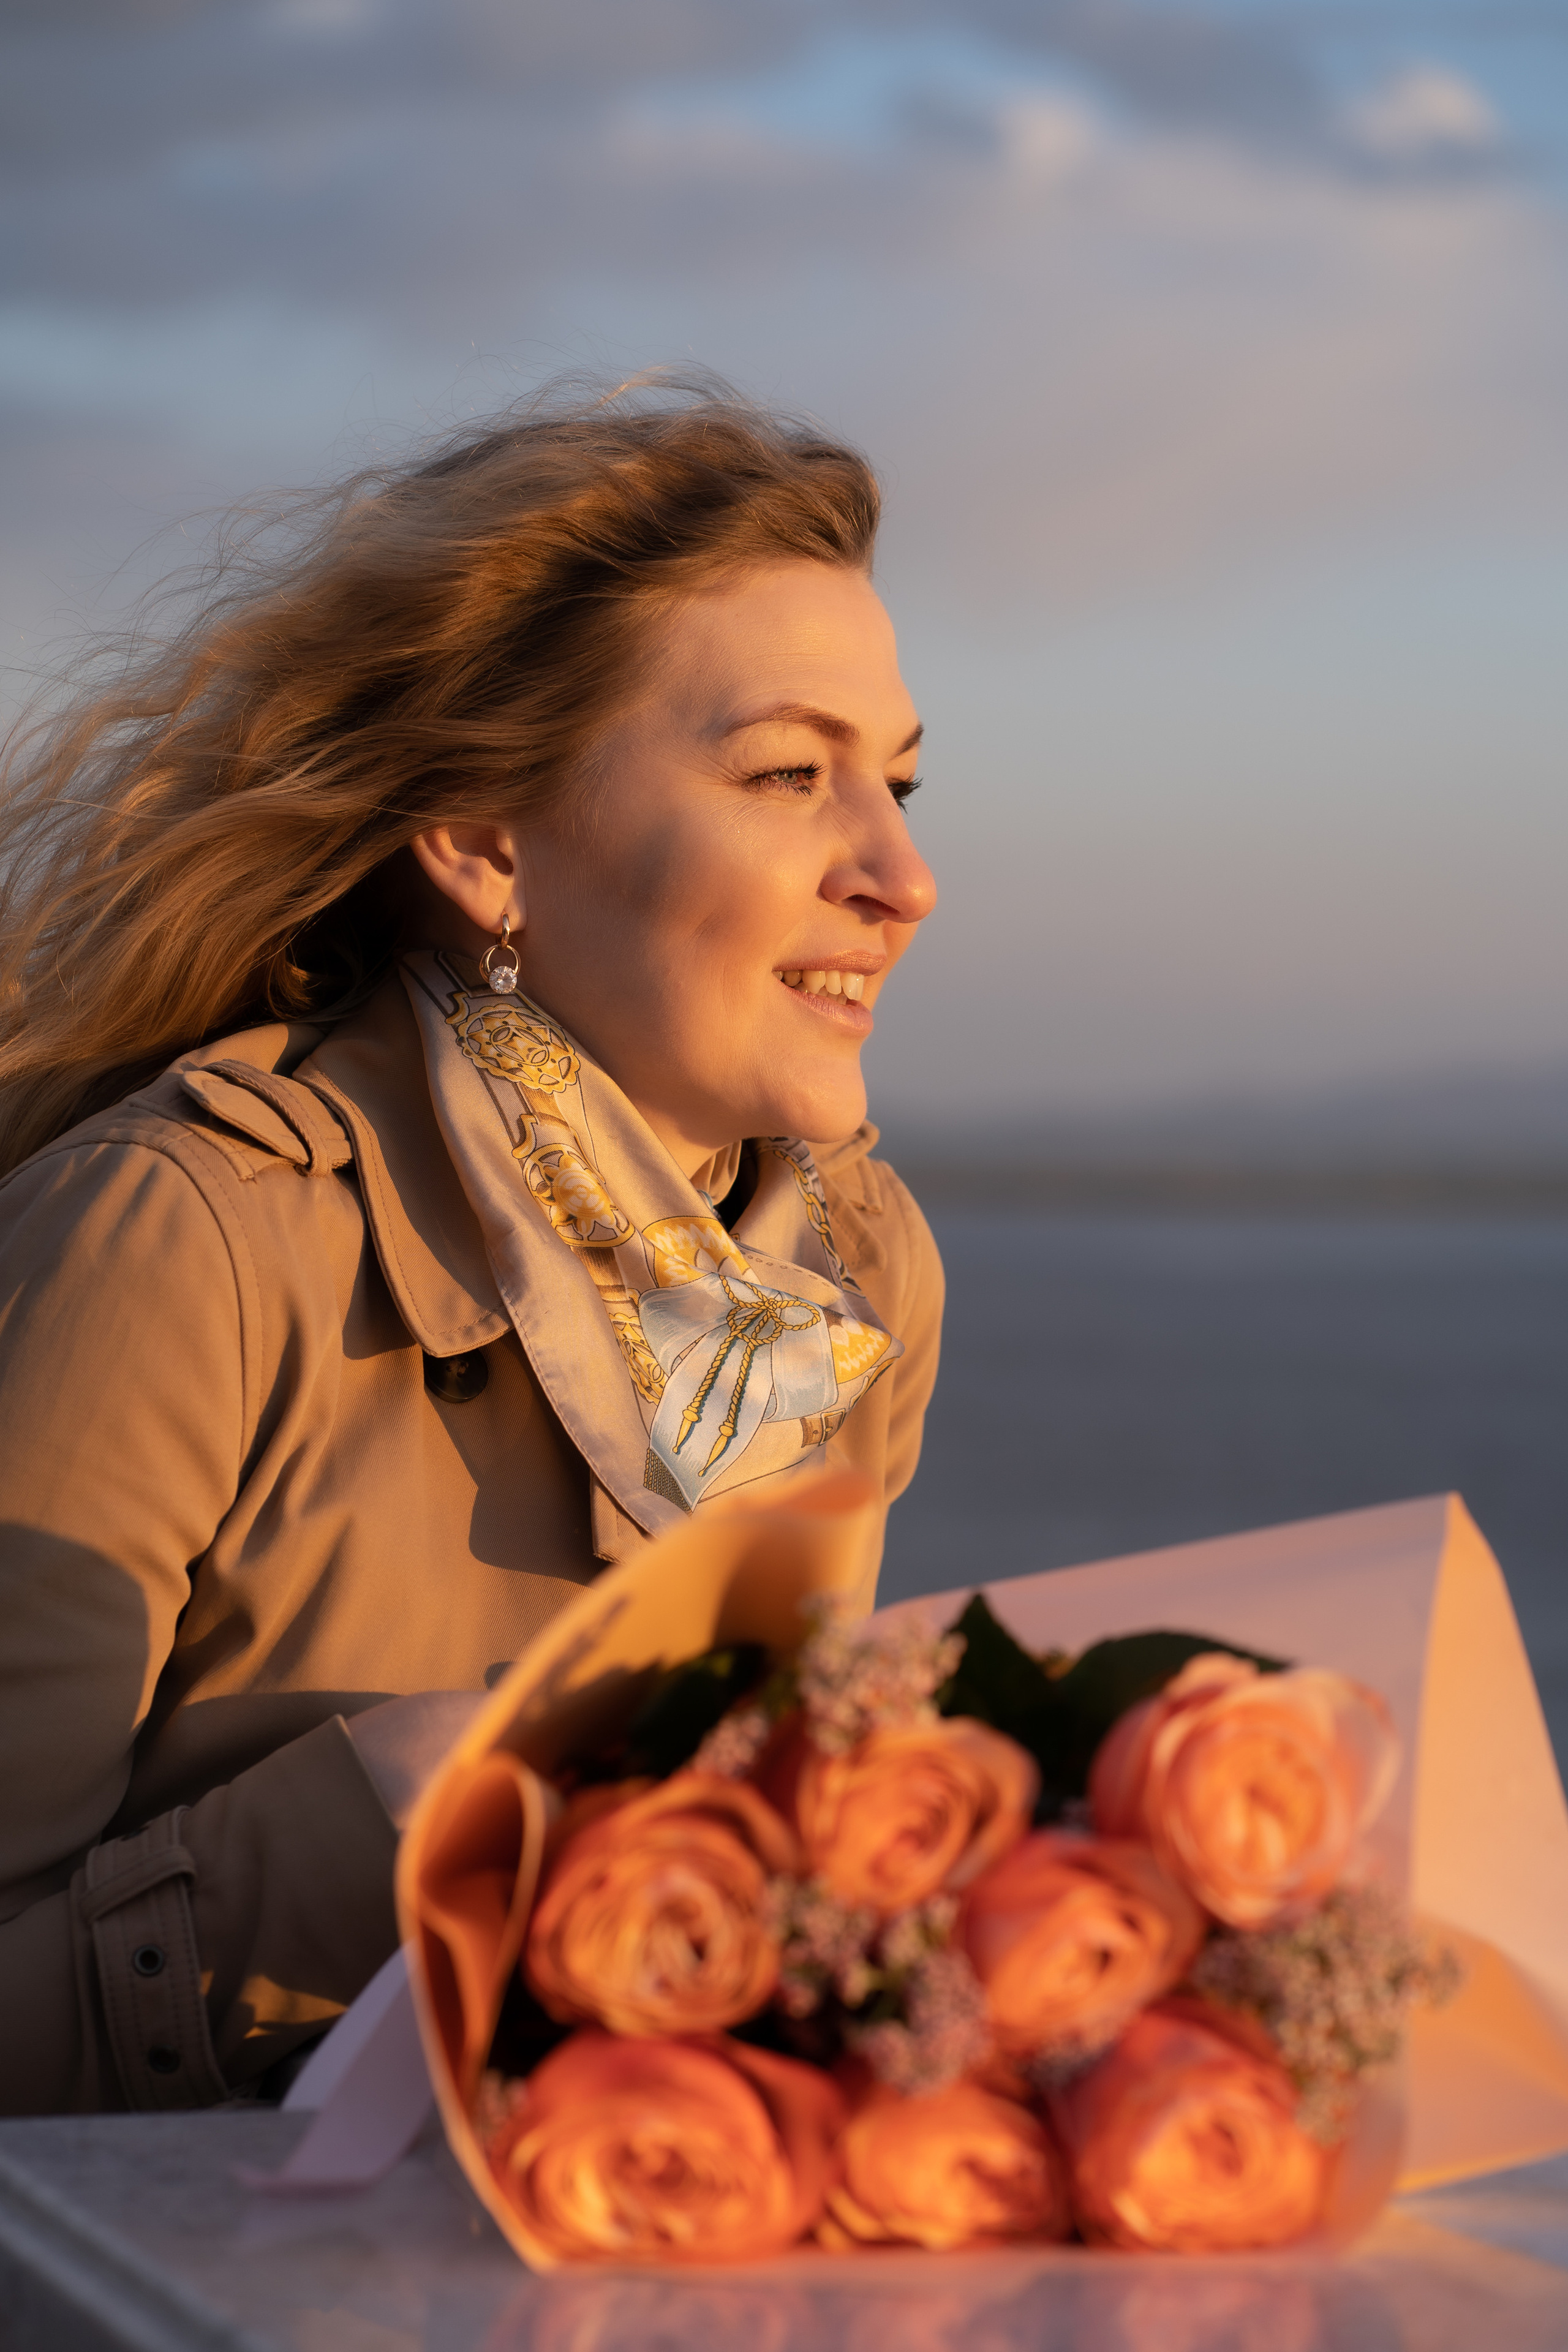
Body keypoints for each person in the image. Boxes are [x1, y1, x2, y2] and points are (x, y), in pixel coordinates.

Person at [0, 383, 942, 2116]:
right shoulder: (179, 1245)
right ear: (484, 844)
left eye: (897, 780)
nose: (904, 873)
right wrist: (383, 1827)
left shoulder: (854, 1277)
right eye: (790, 775)